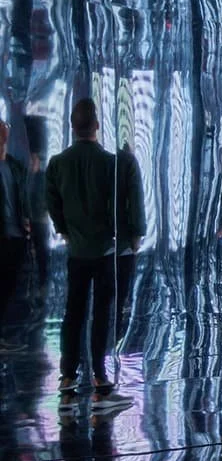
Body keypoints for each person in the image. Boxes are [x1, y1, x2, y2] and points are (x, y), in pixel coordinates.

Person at [45, 99, 141, 412]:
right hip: (106, 252)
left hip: (77, 252)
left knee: (73, 313)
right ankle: (100, 380)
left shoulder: (58, 163)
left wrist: (64, 230)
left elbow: (53, 203)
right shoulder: (113, 163)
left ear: (72, 126)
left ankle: (67, 376)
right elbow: (125, 206)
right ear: (97, 126)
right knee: (102, 314)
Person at [0, 121, 29, 329]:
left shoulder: (15, 167)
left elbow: (23, 198)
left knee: (9, 286)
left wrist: (26, 219)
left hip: (17, 236)